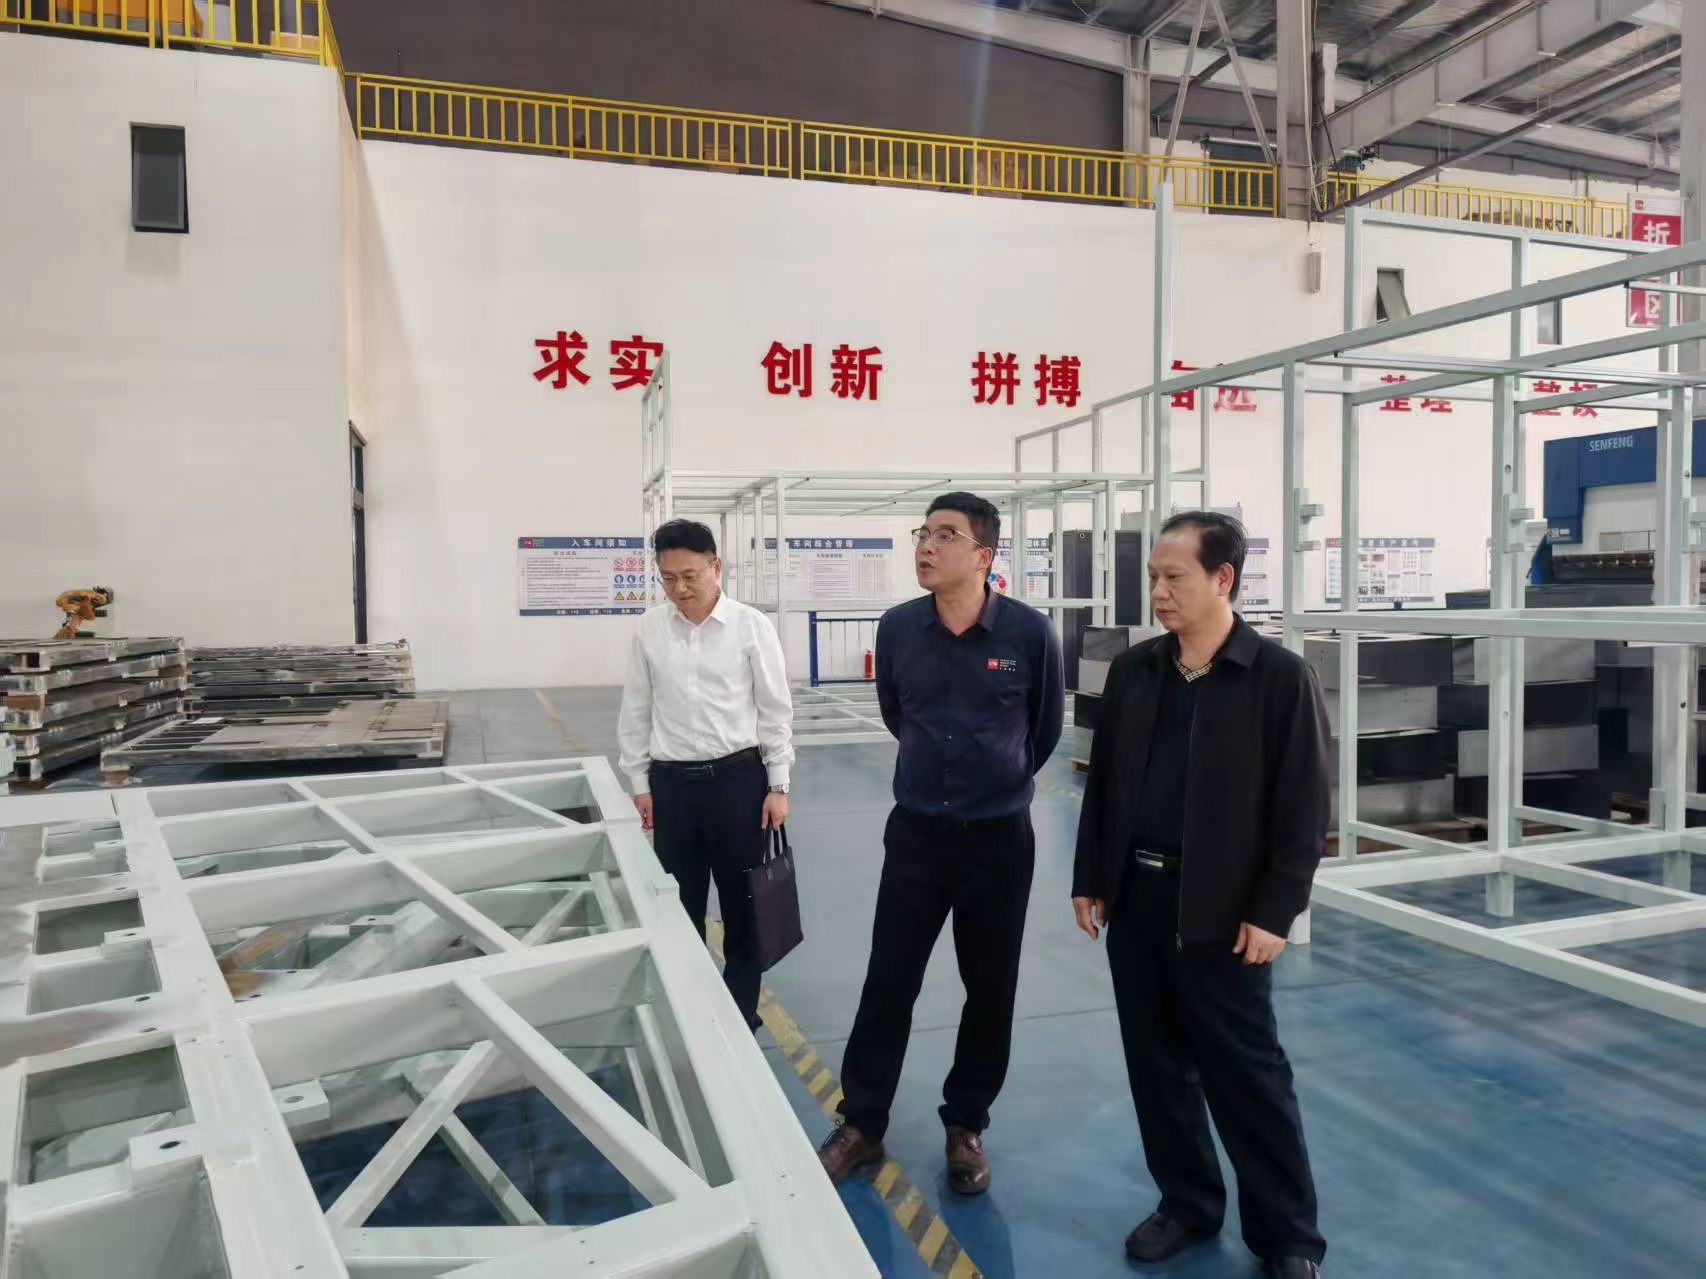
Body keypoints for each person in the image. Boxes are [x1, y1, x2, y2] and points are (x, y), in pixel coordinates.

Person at [1071, 510, 1330, 1279]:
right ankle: (1186, 1202)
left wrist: (1275, 910)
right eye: (1153, 576)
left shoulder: (1277, 678)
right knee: (1156, 1068)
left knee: (1248, 1077)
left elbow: (1304, 809)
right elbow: (1103, 785)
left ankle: (1287, 1236)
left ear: (1223, 578)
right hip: (1137, 902)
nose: (1158, 590)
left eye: (1173, 576)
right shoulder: (1136, 672)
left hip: (1225, 914)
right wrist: (1090, 877)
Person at [818, 492, 1064, 1196]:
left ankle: (966, 1124)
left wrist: (996, 781)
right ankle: (862, 1122)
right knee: (889, 980)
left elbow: (1045, 728)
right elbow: (897, 714)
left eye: (945, 535)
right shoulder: (899, 628)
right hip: (918, 836)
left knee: (990, 988)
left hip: (999, 841)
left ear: (984, 555)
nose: (926, 546)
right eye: (922, 533)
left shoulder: (1028, 633)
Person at [617, 518, 793, 1031]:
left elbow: (774, 710)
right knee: (679, 904)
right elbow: (636, 709)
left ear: (717, 567)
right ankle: (693, 1013)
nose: (680, 589)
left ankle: (739, 1013)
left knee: (744, 904)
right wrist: (639, 783)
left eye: (690, 576)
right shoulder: (649, 630)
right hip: (672, 787)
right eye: (668, 578)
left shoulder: (750, 627)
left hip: (738, 783)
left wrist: (778, 784)